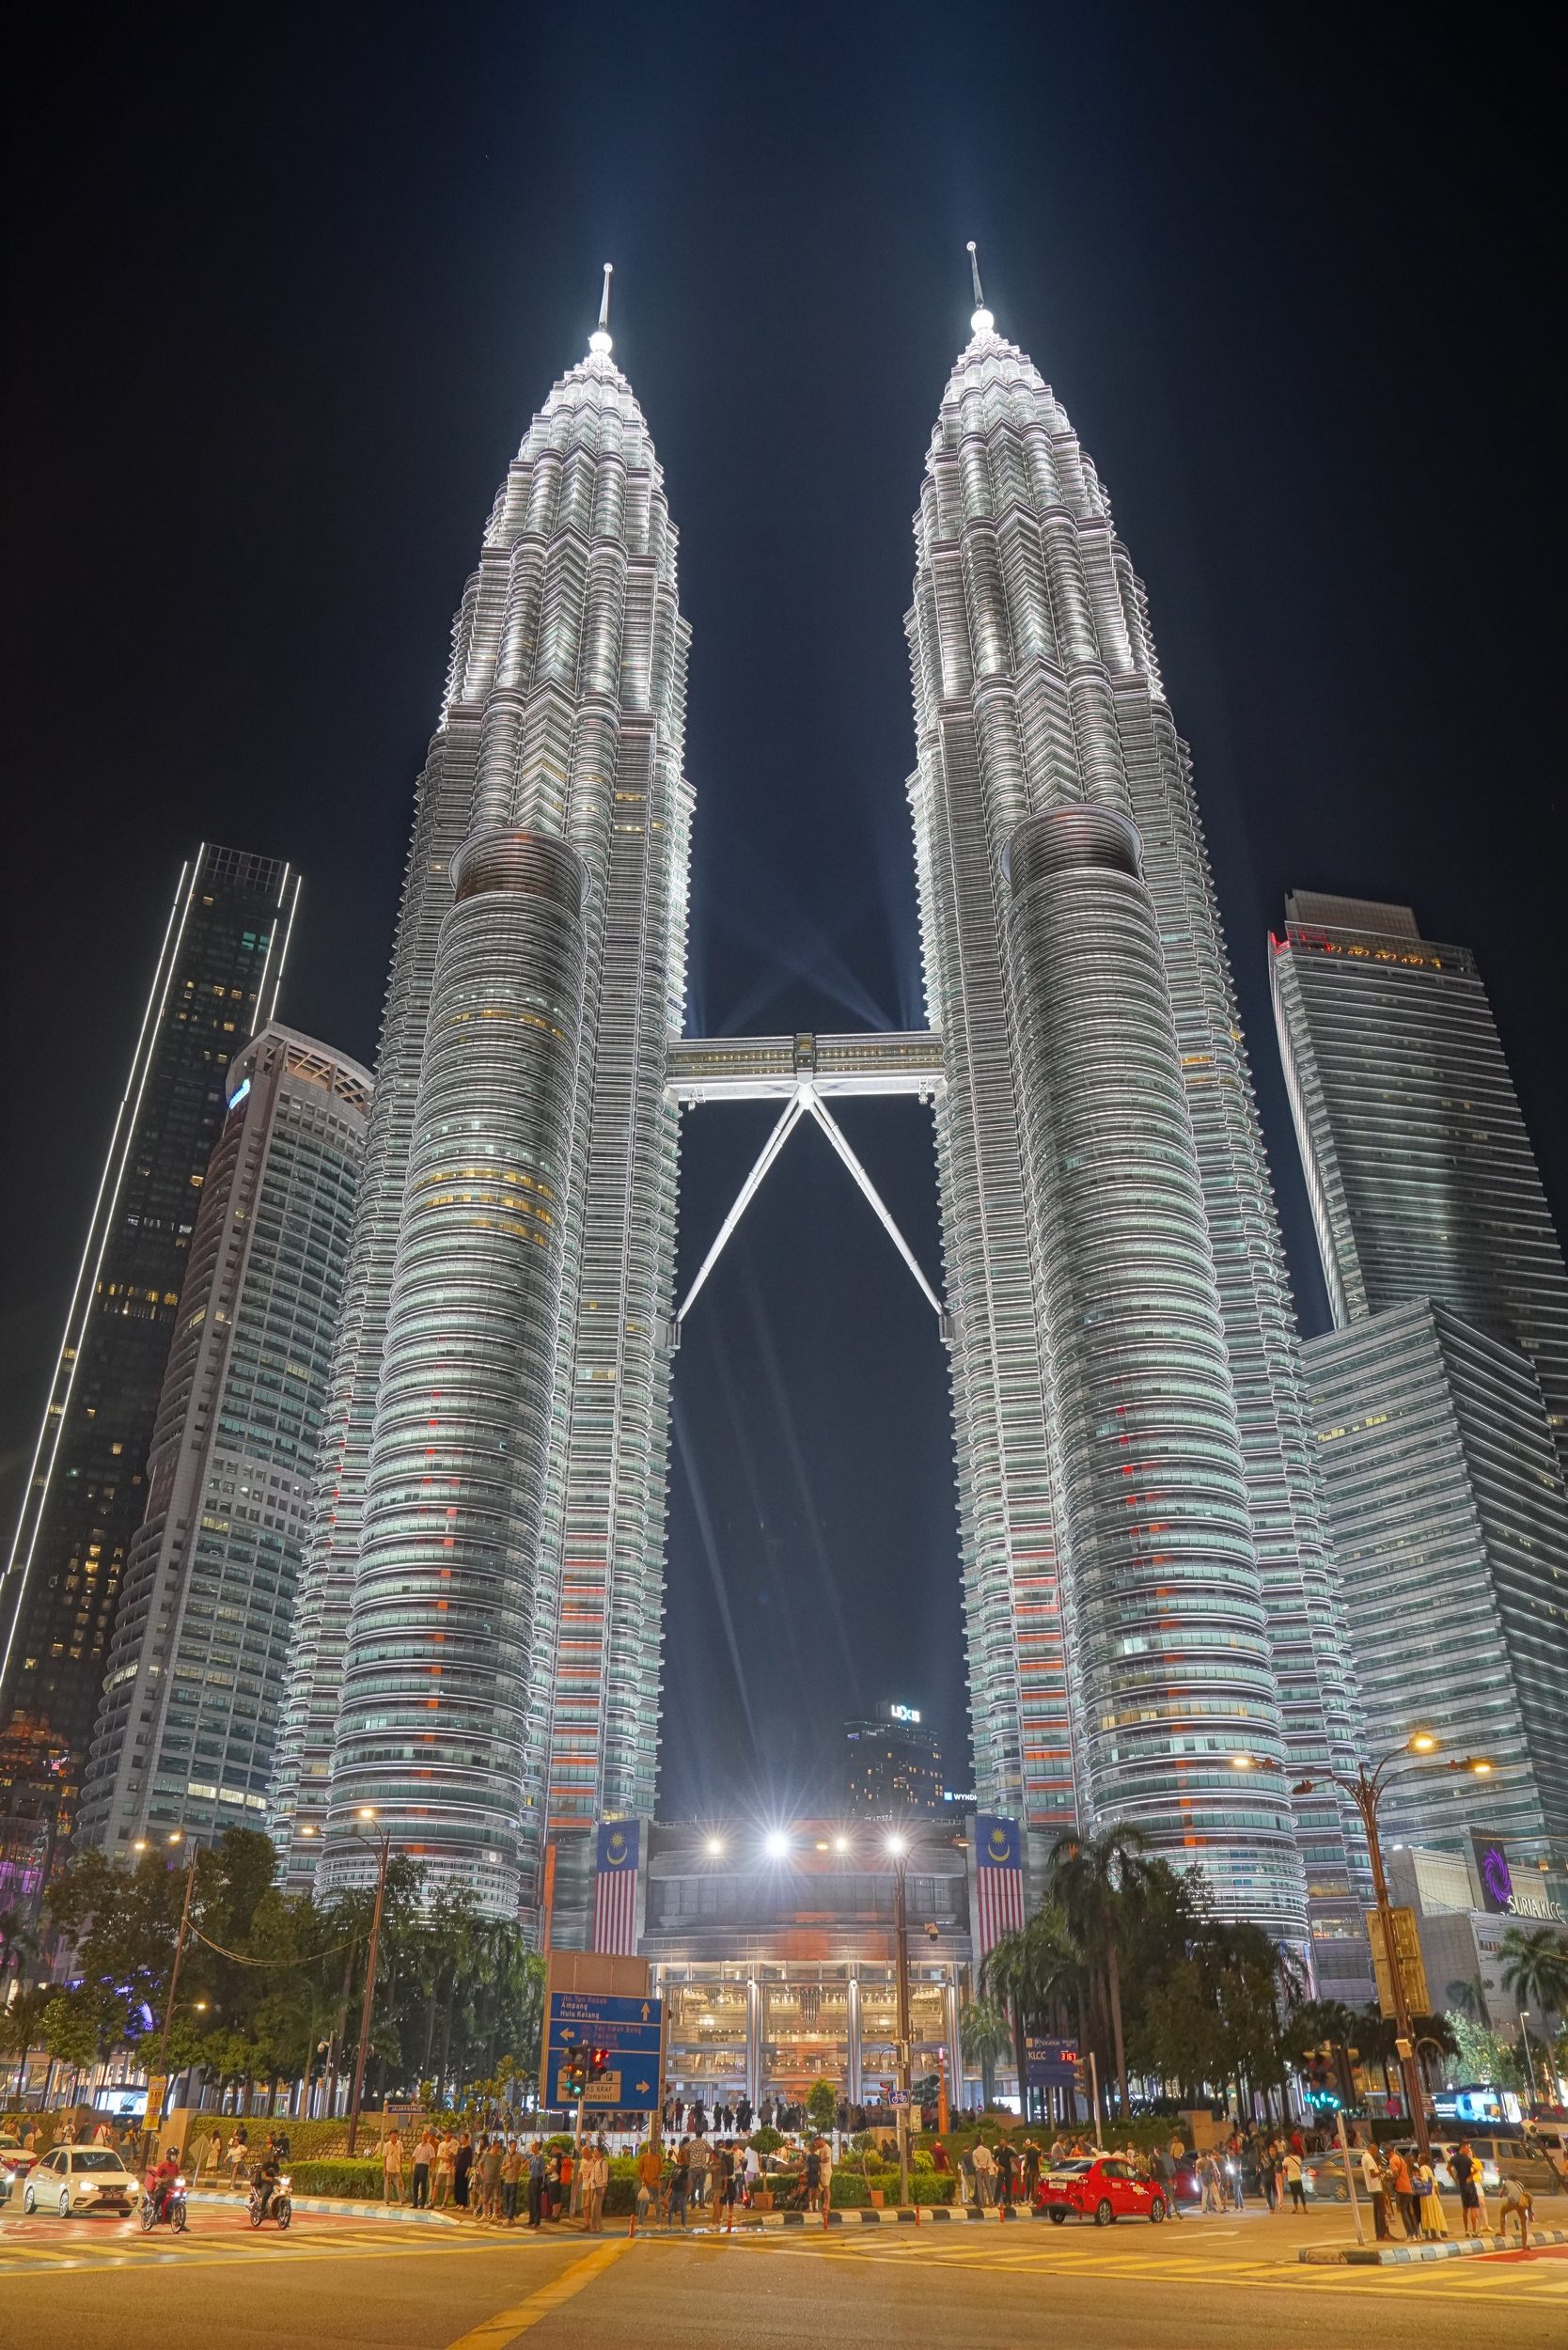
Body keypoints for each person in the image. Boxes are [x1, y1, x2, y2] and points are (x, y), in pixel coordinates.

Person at [1451, 2139, 1483, 2239]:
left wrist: (1454, 2178)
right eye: (1467, 2148)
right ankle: (1475, 2231)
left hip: (1462, 2186)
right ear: (1463, 2147)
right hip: (1470, 2185)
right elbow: (1476, 2169)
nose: (1468, 2149)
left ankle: (1466, 2230)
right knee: (1474, 2208)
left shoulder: (1454, 2159)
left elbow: (1448, 2168)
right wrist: (1470, 2176)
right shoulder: (1467, 2159)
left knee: (1465, 2209)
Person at [1358, 2141, 1389, 2240]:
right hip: (1376, 2187)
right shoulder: (1369, 2158)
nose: (1376, 2153)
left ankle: (1378, 2234)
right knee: (1381, 2211)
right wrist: (1381, 2171)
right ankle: (1381, 2234)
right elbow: (1372, 2174)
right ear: (1373, 2149)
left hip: (1372, 2188)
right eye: (1376, 2151)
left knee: (1377, 2211)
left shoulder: (1364, 2157)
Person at [1387, 2144, 1419, 2239]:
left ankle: (1410, 2235)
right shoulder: (1401, 2159)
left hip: (1401, 2189)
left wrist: (1388, 2178)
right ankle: (1416, 2234)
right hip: (1408, 2188)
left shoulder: (1392, 2160)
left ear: (1389, 2152)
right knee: (1410, 2212)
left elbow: (1396, 2174)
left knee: (1404, 2212)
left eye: (1386, 2154)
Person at [1415, 2154, 1447, 2241]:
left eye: (1419, 2158)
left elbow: (1425, 2179)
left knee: (1429, 2213)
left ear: (1422, 2160)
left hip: (1427, 2195)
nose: (1418, 2160)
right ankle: (1437, 2234)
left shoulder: (1423, 2168)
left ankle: (1434, 2235)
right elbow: (1434, 2180)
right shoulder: (1428, 2168)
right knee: (1434, 2212)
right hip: (1432, 2193)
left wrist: (1417, 2177)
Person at [1498, 2173, 1533, 2249]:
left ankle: (1503, 2232)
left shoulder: (1506, 2182)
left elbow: (1500, 2195)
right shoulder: (1520, 2184)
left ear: (1508, 2178)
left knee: (1503, 2212)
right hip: (1521, 2203)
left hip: (1512, 2202)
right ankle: (1524, 2244)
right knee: (1523, 2224)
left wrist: (1501, 2191)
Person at [636, 2140, 665, 2224]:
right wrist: (642, 2180)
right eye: (653, 2146)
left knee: (657, 2205)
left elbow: (661, 2170)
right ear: (649, 2147)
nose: (655, 2148)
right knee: (643, 2205)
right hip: (646, 2184)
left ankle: (658, 2223)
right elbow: (639, 2170)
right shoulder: (644, 2157)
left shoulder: (658, 2157)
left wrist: (657, 2178)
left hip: (655, 2184)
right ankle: (640, 2223)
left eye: (656, 2146)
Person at [252, 2145, 283, 2223]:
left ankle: (282, 2218)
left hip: (273, 2183)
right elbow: (263, 2176)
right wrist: (269, 2178)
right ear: (273, 2156)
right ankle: (262, 2211)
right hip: (264, 2183)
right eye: (277, 2157)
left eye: (278, 2157)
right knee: (268, 2192)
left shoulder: (277, 2166)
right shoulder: (267, 2164)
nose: (278, 2158)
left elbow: (278, 2175)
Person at [412, 2125, 437, 2210]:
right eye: (423, 2135)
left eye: (425, 2135)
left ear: (428, 2136)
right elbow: (413, 2157)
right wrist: (411, 2167)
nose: (424, 2137)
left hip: (424, 2166)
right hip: (417, 2165)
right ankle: (415, 2203)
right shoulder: (418, 2146)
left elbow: (433, 2159)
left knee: (423, 2185)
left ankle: (422, 2203)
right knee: (415, 2185)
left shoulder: (430, 2147)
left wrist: (432, 2169)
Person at [667, 2140, 690, 2228]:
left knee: (683, 2208)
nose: (681, 2157)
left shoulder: (686, 2167)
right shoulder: (675, 2166)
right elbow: (671, 2178)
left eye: (682, 2155)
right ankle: (669, 2225)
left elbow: (689, 2179)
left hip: (682, 2190)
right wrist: (668, 2189)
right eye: (680, 2155)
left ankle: (683, 2225)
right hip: (674, 2189)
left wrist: (688, 2189)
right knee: (671, 2208)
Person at [380, 2125, 405, 2205]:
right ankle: (387, 2201)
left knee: (400, 2184)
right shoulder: (387, 2145)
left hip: (397, 2167)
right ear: (390, 2135)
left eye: (396, 2134)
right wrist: (384, 2169)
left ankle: (402, 2200)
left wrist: (401, 2166)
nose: (395, 2135)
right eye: (393, 2134)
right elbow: (384, 2157)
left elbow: (401, 2155)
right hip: (389, 2168)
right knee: (387, 2185)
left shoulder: (399, 2144)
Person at [502, 2138, 524, 2224]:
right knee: (507, 2199)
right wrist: (507, 2166)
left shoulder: (519, 2155)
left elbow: (526, 2162)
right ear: (510, 2146)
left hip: (514, 2181)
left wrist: (520, 2170)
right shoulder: (506, 2156)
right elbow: (502, 2168)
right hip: (507, 2181)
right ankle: (511, 2217)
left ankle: (509, 2217)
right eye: (513, 2145)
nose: (515, 2146)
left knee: (512, 2199)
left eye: (516, 2145)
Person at [526, 2140, 546, 2230]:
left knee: (536, 2201)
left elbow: (543, 2170)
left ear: (537, 2147)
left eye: (533, 2146)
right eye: (532, 2146)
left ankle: (537, 2220)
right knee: (531, 2200)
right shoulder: (532, 2158)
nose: (532, 2148)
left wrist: (541, 2181)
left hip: (537, 2180)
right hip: (531, 2179)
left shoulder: (541, 2158)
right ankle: (531, 2218)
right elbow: (529, 2169)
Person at [972, 2137, 996, 2208]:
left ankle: (981, 2203)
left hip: (979, 2171)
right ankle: (991, 2203)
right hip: (986, 2171)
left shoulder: (975, 2152)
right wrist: (986, 2168)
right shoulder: (987, 2151)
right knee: (988, 2187)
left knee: (980, 2188)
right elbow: (990, 2161)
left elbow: (975, 2164)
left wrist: (980, 2168)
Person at [1282, 2147, 1307, 2214]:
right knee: (1301, 2194)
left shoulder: (1286, 2159)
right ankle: (1305, 2209)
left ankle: (1296, 2209)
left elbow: (1285, 2169)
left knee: (1294, 2195)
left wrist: (1286, 2172)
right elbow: (1300, 2165)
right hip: (1298, 2178)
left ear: (1287, 2152)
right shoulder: (1298, 2158)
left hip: (1291, 2179)